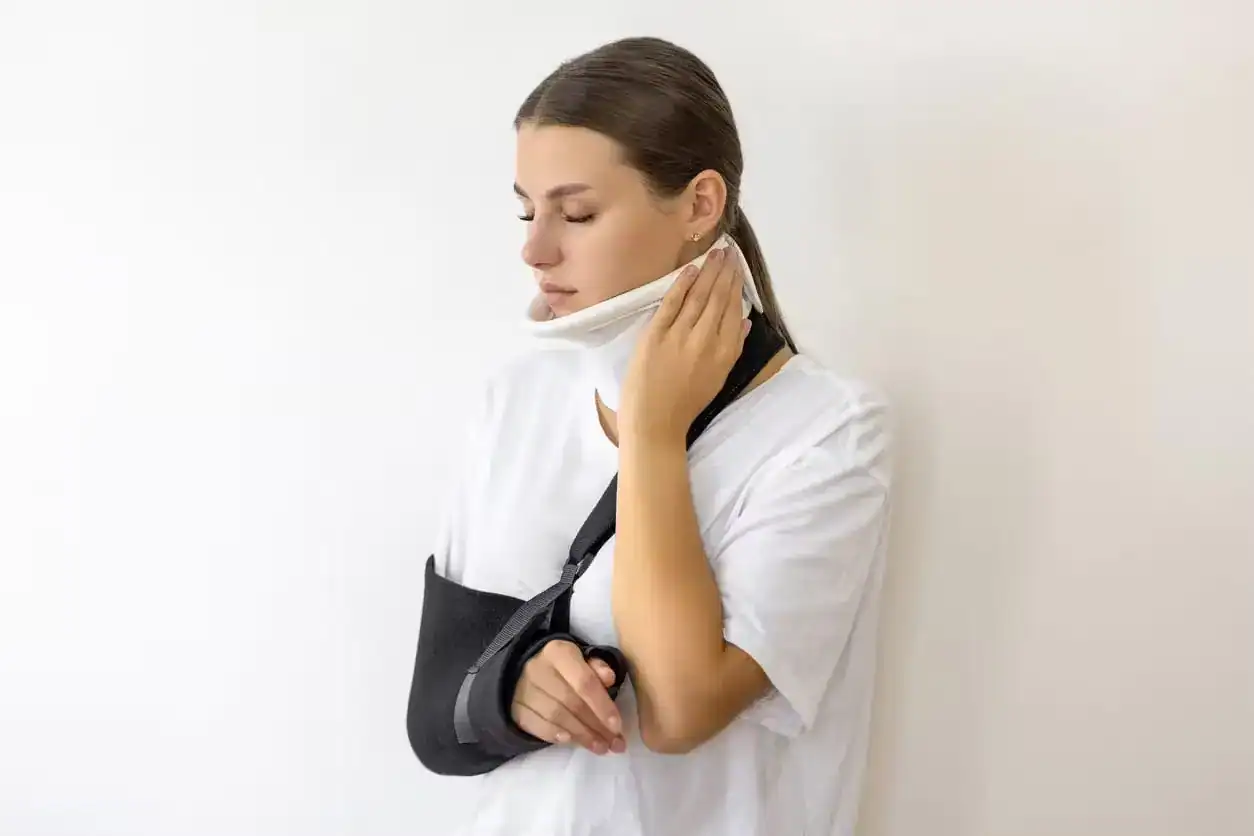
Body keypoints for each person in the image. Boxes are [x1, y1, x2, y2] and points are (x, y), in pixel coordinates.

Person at [419, 36, 892, 836]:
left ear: (701, 206)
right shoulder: (516, 402)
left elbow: (679, 711)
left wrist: (650, 433)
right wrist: (512, 687)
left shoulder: (830, 434)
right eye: (527, 211)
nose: (534, 250)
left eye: (577, 213)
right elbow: (435, 716)